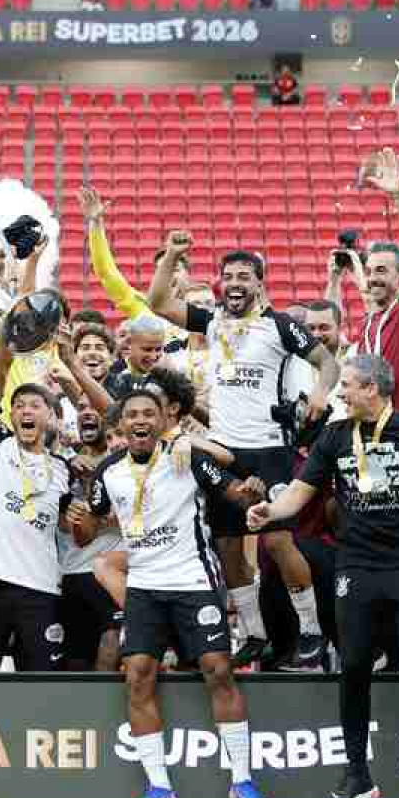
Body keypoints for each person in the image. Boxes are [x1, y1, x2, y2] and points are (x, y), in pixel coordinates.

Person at [251, 354, 399, 798]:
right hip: (356, 565)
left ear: (373, 388)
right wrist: (271, 512)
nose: (340, 393)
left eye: (348, 385)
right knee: (352, 664)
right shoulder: (334, 436)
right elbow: (300, 491)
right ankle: (358, 776)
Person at [143, 234, 337, 672]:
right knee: (229, 546)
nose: (234, 283)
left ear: (259, 284)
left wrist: (321, 394)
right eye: (228, 276)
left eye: (244, 277)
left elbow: (330, 362)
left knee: (277, 541)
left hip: (270, 449)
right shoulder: (211, 322)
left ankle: (310, 630)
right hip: (224, 449)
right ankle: (253, 633)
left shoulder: (280, 324)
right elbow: (156, 302)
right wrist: (172, 257)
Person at [71, 386, 270, 798]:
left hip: (193, 580)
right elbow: (92, 525)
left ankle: (242, 781)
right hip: (143, 584)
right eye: (132, 415)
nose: (140, 421)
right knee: (138, 675)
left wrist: (251, 489)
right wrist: (79, 518)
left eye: (149, 414)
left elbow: (235, 490)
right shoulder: (109, 471)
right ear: (121, 425)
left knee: (217, 670)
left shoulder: (186, 458)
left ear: (162, 421)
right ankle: (159, 787)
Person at [0, 384, 75, 671]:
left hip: (42, 586)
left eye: (35, 405)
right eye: (19, 405)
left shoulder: (62, 468)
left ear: (52, 417)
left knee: (44, 677)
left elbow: (66, 524)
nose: (26, 411)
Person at [334, 149, 399, 417]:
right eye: (369, 271)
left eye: (381, 270)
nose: (372, 277)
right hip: (367, 432)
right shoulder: (369, 323)